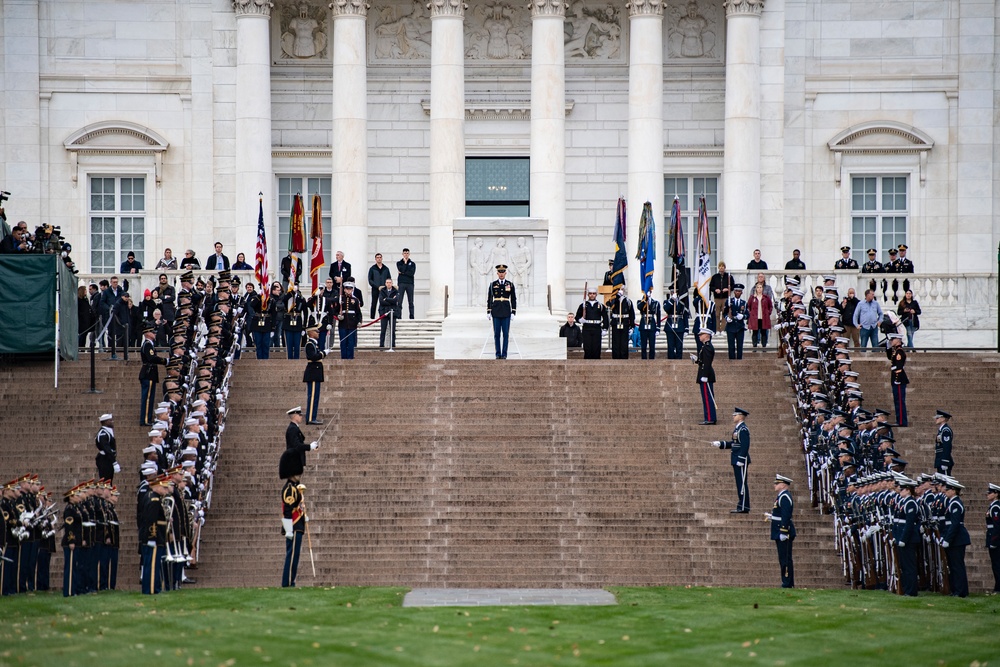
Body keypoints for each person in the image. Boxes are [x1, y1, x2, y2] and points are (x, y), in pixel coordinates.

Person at [278, 415, 319, 588]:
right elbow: (287, 511)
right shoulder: (289, 489)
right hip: (293, 526)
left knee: (295, 556)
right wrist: (288, 530)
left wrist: (304, 513)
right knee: (291, 554)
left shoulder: (296, 488)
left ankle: (292, 580)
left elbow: (297, 505)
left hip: (299, 524)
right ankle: (287, 582)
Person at [713, 407, 751, 513]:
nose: (733, 416)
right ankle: (741, 505)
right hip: (735, 459)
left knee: (742, 484)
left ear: (740, 416)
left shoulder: (743, 429)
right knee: (739, 483)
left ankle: (744, 506)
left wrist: (741, 459)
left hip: (740, 460)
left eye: (735, 415)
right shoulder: (738, 428)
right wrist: (721, 444)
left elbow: (745, 445)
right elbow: (734, 443)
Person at [940, 476, 970, 597]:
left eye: (947, 490)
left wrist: (948, 539)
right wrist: (944, 537)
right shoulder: (951, 503)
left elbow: (955, 524)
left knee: (957, 566)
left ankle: (961, 591)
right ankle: (956, 590)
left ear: (953, 490)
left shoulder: (956, 504)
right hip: (953, 538)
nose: (945, 491)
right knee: (953, 565)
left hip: (957, 539)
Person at [893, 476, 920, 596]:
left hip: (908, 539)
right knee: (904, 565)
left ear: (908, 490)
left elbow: (909, 524)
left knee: (909, 566)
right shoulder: (903, 502)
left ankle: (911, 590)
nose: (900, 491)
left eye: (903, 489)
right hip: (902, 537)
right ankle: (906, 588)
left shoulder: (910, 503)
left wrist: (903, 539)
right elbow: (898, 522)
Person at [769, 474, 795, 588]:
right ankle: (786, 581)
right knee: (782, 558)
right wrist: (771, 516)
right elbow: (780, 514)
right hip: (779, 530)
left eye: (777, 483)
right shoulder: (781, 496)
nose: (775, 485)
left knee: (785, 559)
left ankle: (787, 582)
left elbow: (786, 515)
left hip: (783, 531)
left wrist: (783, 532)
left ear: (783, 485)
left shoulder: (785, 497)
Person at [486, 264, 517, 359]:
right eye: (500, 272)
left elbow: (513, 299)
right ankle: (498, 353)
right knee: (496, 334)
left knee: (506, 334)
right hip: (496, 311)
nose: (501, 274)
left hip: (506, 312)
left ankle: (504, 354)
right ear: (497, 273)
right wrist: (488, 311)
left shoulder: (510, 284)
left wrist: (513, 312)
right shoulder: (493, 285)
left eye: (503, 272)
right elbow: (490, 298)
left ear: (505, 273)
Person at [139, 323, 167, 426]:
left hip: (150, 373)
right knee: (147, 398)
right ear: (147, 333)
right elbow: (152, 358)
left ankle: (148, 418)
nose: (154, 333)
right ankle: (146, 419)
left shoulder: (149, 344)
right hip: (148, 373)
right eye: (152, 332)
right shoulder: (147, 344)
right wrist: (165, 361)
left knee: (150, 398)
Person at [303, 327, 330, 425]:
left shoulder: (314, 344)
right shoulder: (309, 344)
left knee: (316, 397)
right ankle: (310, 418)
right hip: (313, 373)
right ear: (310, 333)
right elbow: (313, 357)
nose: (318, 333)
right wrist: (323, 353)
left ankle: (312, 416)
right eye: (316, 331)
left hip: (316, 373)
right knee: (313, 396)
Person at [692, 328, 716, 425]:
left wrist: (705, 375)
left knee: (707, 398)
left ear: (706, 335)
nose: (699, 336)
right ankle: (709, 417)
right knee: (706, 398)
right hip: (704, 374)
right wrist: (697, 359)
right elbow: (703, 361)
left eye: (701, 334)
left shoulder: (707, 347)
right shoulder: (705, 347)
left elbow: (707, 363)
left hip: (706, 375)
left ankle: (710, 418)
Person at [575, 288, 608, 359]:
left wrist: (605, 328)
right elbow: (577, 316)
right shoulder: (583, 305)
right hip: (587, 327)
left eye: (593, 293)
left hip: (597, 328)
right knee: (587, 346)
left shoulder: (601, 305)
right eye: (590, 293)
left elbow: (605, 317)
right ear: (588, 295)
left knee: (596, 346)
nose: (592, 295)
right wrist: (580, 320)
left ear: (596, 294)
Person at [334, 281, 363, 360]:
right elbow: (335, 311)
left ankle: (350, 358)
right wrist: (338, 316)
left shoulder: (355, 300)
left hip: (352, 324)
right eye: (347, 289)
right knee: (343, 342)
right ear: (344, 290)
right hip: (343, 324)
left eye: (350, 289)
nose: (349, 290)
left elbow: (358, 313)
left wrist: (359, 321)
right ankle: (343, 357)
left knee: (351, 342)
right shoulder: (340, 299)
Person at [606, 285, 635, 359]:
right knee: (616, 342)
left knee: (624, 342)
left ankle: (624, 358)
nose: (621, 291)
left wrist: (632, 326)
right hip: (616, 323)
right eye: (619, 289)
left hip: (624, 323)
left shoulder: (628, 301)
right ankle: (616, 358)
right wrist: (617, 297)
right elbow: (609, 304)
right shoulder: (614, 300)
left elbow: (632, 314)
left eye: (622, 289)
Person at [887, 333, 908, 427]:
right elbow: (889, 357)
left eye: (893, 340)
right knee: (897, 401)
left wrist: (897, 379)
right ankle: (899, 420)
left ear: (898, 340)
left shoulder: (899, 352)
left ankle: (901, 421)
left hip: (899, 379)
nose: (891, 341)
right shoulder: (895, 351)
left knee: (899, 401)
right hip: (896, 378)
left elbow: (899, 367)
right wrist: (887, 347)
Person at [723, 283, 748, 359]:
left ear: (742, 292)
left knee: (740, 345)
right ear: (734, 292)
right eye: (736, 291)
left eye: (739, 291)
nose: (738, 292)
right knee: (731, 346)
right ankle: (731, 360)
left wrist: (743, 316)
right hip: (731, 326)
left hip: (740, 326)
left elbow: (747, 314)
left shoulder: (744, 303)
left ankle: (739, 360)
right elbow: (724, 312)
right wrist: (727, 318)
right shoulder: (729, 301)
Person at [635, 289, 660, 359]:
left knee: (652, 345)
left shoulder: (655, 303)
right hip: (643, 324)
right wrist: (645, 300)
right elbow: (640, 307)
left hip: (652, 324)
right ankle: (644, 359)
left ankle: (652, 359)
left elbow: (658, 315)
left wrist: (658, 328)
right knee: (643, 345)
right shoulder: (640, 302)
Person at [662, 292, 688, 359]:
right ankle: (670, 362)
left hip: (679, 325)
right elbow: (666, 309)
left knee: (679, 347)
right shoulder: (667, 301)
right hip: (670, 325)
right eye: (672, 291)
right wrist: (672, 299)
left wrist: (686, 328)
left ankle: (678, 363)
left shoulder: (682, 302)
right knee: (670, 347)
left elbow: (685, 315)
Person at [709, 262, 734, 332]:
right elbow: (711, 286)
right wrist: (715, 290)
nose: (721, 268)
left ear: (725, 267)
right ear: (718, 267)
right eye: (720, 266)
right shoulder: (715, 277)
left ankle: (723, 329)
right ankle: (717, 329)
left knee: (724, 314)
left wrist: (727, 289)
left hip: (725, 297)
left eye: (723, 266)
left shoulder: (729, 277)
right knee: (717, 314)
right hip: (717, 298)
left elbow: (732, 286)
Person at [94, 413, 119, 482]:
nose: (112, 422)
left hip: (108, 459)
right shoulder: (103, 434)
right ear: (105, 422)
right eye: (110, 420)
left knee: (109, 481)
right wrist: (114, 462)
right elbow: (106, 448)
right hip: (104, 459)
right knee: (106, 481)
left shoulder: (107, 431)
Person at [747, 282, 772, 348]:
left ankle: (764, 345)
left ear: (762, 289)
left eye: (760, 287)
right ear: (756, 289)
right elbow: (748, 306)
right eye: (758, 287)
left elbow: (770, 306)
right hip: (755, 317)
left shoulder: (766, 298)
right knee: (755, 332)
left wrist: (768, 312)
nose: (759, 289)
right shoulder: (752, 298)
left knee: (763, 332)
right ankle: (754, 345)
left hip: (763, 317)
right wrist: (751, 313)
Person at [378, 277, 401, 349]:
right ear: (385, 283)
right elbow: (381, 301)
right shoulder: (382, 291)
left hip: (393, 312)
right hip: (384, 312)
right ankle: (381, 345)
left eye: (390, 282)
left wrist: (387, 299)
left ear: (392, 283)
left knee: (393, 330)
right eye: (387, 283)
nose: (388, 284)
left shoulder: (396, 291)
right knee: (383, 330)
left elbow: (396, 300)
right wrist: (391, 300)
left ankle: (393, 345)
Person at [367, 253, 392, 319]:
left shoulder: (386, 269)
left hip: (384, 290)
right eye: (377, 257)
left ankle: (383, 317)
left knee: (384, 303)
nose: (379, 259)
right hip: (375, 289)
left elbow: (389, 278)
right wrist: (377, 286)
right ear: (375, 259)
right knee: (374, 304)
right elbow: (370, 280)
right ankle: (372, 318)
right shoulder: (372, 268)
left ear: (382, 258)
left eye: (380, 257)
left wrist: (386, 286)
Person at [986, 482, 1000, 594]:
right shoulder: (993, 506)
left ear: (996, 494)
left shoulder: (995, 507)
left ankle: (998, 588)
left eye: (990, 493)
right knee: (995, 564)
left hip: (996, 540)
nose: (988, 494)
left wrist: (994, 541)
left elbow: (997, 526)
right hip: (993, 538)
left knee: (997, 564)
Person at [396, 248, 416, 319]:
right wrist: (404, 263)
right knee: (399, 301)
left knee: (411, 301)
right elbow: (401, 269)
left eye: (407, 253)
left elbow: (411, 273)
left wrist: (402, 273)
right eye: (404, 253)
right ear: (402, 254)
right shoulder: (399, 263)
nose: (406, 254)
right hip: (401, 283)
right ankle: (399, 316)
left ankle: (411, 316)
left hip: (410, 283)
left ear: (409, 254)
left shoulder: (412, 263)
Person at [933, 409, 954, 475]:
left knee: (944, 481)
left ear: (943, 418)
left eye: (938, 417)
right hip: (940, 459)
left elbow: (947, 446)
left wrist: (945, 461)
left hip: (943, 460)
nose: (936, 419)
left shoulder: (945, 430)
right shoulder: (941, 430)